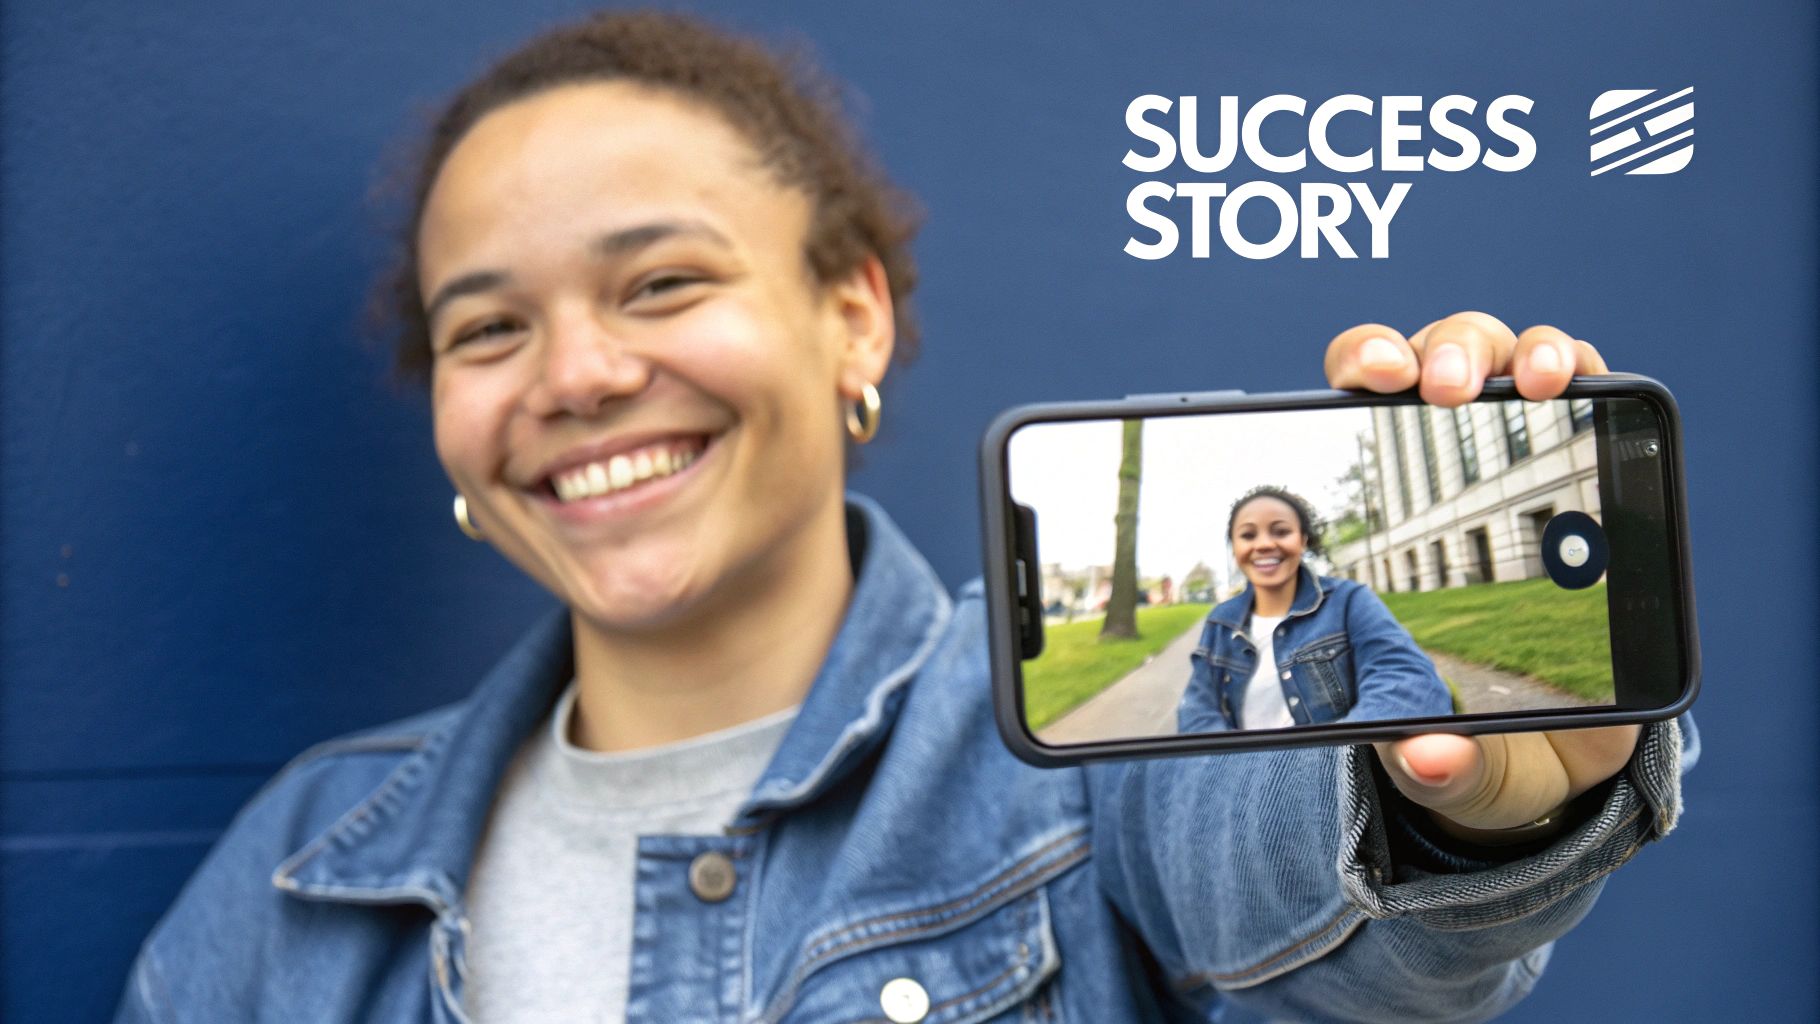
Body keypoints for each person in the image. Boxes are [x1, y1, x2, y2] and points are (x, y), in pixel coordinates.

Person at [114, 11, 1691, 1023]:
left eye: (661, 281)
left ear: (851, 317)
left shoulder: (1070, 769)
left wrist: (1472, 816)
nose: (580, 373)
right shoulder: (298, 878)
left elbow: (1301, 901)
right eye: (487, 328)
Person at [1176, 486, 1455, 733]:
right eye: (1248, 535)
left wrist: (1323, 759)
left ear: (1303, 540)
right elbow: (1196, 716)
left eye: (1281, 531)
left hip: (1336, 779)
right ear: (1234, 548)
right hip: (1242, 783)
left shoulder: (1349, 601)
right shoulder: (1220, 622)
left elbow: (1410, 685)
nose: (1263, 544)